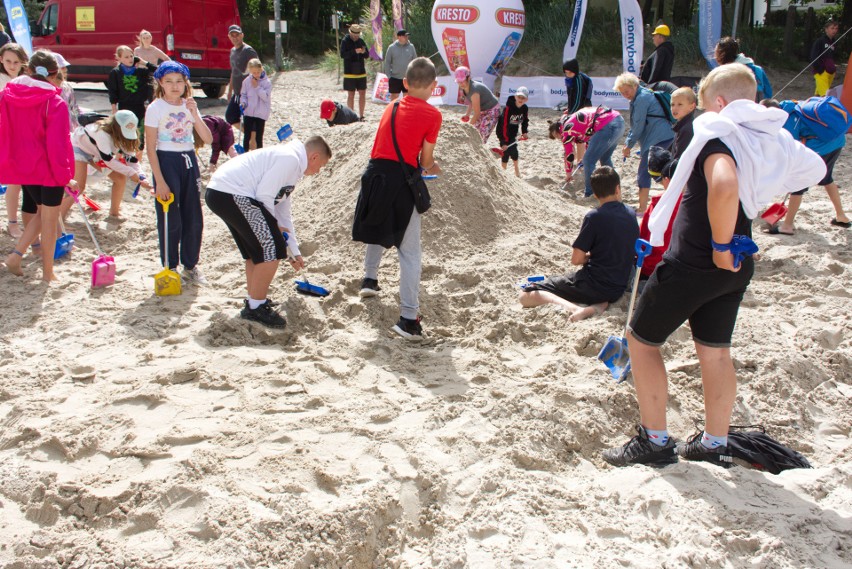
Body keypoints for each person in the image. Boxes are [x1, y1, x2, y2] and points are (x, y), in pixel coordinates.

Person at [602, 64, 826, 468]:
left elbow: (723, 185)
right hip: (737, 263)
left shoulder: (718, 137)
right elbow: (813, 168)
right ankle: (713, 441)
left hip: (697, 261)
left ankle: (654, 442)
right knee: (715, 352)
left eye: (705, 107)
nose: (701, 116)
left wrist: (720, 244)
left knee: (640, 341)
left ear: (720, 104)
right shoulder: (760, 141)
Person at [352, 57, 442, 340]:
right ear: (434, 87)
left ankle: (369, 279)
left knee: (377, 227)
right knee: (411, 253)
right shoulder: (432, 115)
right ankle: (408, 319)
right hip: (401, 181)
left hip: (374, 175)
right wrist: (432, 166)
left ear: (404, 83)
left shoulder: (391, 106)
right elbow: (425, 160)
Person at [205, 136, 332, 328]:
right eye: (320, 166)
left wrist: (294, 251)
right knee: (272, 248)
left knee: (255, 251)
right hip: (231, 192)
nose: (317, 172)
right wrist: (272, 227)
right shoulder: (290, 159)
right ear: (314, 157)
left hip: (222, 192)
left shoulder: (293, 166)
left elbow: (282, 212)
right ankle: (255, 308)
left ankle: (254, 300)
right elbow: (264, 195)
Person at [519, 166, 639, 321]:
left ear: (595, 194)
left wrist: (590, 257)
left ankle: (577, 308)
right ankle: (598, 304)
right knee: (565, 281)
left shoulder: (594, 217)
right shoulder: (631, 213)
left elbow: (576, 259)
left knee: (526, 294)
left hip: (595, 285)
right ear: (618, 188)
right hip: (618, 287)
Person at [0, 50, 76, 282]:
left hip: (21, 165)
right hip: (48, 169)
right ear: (54, 75)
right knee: (49, 220)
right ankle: (48, 273)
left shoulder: (6, 95)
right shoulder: (54, 102)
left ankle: (16, 255)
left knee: (41, 212)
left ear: (28, 69)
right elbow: (58, 145)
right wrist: (65, 176)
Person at [144, 61, 213, 285]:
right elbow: (151, 148)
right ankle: (170, 266)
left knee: (193, 216)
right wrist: (160, 182)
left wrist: (194, 113)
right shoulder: (155, 108)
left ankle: (190, 265)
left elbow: (208, 138)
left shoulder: (189, 105)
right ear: (161, 83)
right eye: (169, 82)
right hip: (167, 161)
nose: (175, 86)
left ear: (186, 83)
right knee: (170, 216)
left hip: (188, 160)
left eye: (179, 81)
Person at [761, 98, 850, 235]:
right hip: (837, 141)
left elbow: (792, 149)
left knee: (798, 183)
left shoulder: (788, 122)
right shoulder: (789, 105)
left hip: (822, 146)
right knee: (826, 178)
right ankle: (841, 216)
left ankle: (787, 225)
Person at [65, 110, 152, 219]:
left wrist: (141, 176)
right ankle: (59, 217)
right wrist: (131, 173)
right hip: (78, 147)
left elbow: (132, 160)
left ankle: (114, 213)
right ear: (116, 127)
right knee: (78, 186)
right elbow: (109, 161)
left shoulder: (123, 135)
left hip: (96, 152)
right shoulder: (101, 132)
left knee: (120, 178)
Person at [615, 72, 674, 214]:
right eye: (622, 93)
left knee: (644, 172)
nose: (625, 95)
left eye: (627, 91)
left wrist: (628, 144)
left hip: (658, 138)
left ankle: (642, 208)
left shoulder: (641, 99)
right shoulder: (642, 95)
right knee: (659, 170)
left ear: (635, 86)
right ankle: (675, 198)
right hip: (665, 136)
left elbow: (638, 126)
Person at [548, 105, 626, 198]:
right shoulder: (574, 121)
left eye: (557, 137)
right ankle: (615, 189)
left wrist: (568, 172)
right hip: (618, 121)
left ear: (557, 131)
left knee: (589, 161)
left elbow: (569, 153)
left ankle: (590, 193)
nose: (560, 139)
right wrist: (585, 156)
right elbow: (591, 140)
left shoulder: (566, 130)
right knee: (605, 158)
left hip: (607, 125)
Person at [638, 146, 679, 285]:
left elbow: (643, 238)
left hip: (655, 269)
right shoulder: (699, 200)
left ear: (666, 180)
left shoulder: (658, 204)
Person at [0, 43, 28, 239]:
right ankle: (12, 222)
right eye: (8, 61)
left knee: (16, 180)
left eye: (16, 62)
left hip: (20, 135)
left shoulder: (25, 81)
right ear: (1, 59)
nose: (11, 65)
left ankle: (13, 222)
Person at [107, 45, 158, 148]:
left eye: (131, 56)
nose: (130, 59)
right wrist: (114, 108)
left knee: (139, 137)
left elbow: (158, 70)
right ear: (119, 58)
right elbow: (113, 91)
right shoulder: (116, 72)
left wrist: (144, 62)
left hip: (139, 106)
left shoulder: (140, 72)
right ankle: (124, 157)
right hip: (124, 107)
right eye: (126, 57)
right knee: (125, 135)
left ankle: (138, 158)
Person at [714, 37, 772, 102]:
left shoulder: (726, 73)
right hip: (758, 108)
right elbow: (768, 93)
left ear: (722, 54)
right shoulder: (758, 70)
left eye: (716, 53)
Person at [455, 66, 500, 144]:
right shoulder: (465, 88)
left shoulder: (474, 90)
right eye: (459, 81)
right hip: (483, 110)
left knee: (481, 135)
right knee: (474, 132)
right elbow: (471, 102)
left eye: (462, 81)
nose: (461, 84)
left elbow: (477, 113)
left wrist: (467, 127)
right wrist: (467, 114)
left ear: (469, 78)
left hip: (492, 110)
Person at [226, 25, 258, 125]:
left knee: (250, 120)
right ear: (229, 37)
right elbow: (233, 72)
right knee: (230, 117)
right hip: (237, 94)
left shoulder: (248, 51)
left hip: (247, 93)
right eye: (233, 35)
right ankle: (250, 137)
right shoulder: (232, 51)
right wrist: (230, 91)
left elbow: (258, 71)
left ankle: (252, 139)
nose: (235, 37)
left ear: (242, 35)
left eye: (237, 35)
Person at [495, 86, 529, 177]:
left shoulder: (525, 108)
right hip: (502, 132)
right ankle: (503, 172)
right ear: (515, 96)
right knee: (506, 151)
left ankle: (516, 169)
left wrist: (524, 132)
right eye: (519, 97)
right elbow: (504, 124)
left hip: (513, 131)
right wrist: (505, 141)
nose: (520, 99)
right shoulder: (508, 108)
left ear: (526, 99)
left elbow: (525, 121)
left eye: (523, 98)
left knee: (513, 151)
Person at [239, 58, 272, 151]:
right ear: (250, 71)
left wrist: (257, 87)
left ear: (261, 69)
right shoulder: (246, 81)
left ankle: (259, 155)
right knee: (247, 135)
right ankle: (245, 154)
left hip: (261, 113)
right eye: (253, 73)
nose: (256, 75)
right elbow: (243, 95)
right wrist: (243, 103)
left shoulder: (267, 82)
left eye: (258, 72)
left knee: (259, 137)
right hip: (248, 112)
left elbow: (265, 97)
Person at [340, 24, 369, 119]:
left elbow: (367, 55)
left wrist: (363, 52)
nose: (356, 36)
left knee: (362, 93)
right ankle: (351, 115)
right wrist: (354, 52)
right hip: (349, 72)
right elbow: (342, 55)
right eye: (354, 34)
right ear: (350, 33)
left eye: (357, 34)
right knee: (351, 94)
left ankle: (362, 115)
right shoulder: (345, 41)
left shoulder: (361, 41)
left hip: (361, 71)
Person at [384, 29, 417, 101]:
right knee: (394, 98)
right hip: (395, 77)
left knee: (407, 98)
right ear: (398, 37)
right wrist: (389, 76)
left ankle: (405, 112)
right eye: (404, 36)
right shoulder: (391, 47)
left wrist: (413, 75)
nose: (406, 38)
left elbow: (415, 61)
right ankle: (394, 112)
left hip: (407, 78)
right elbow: (387, 62)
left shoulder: (411, 47)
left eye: (407, 36)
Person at [811, 19, 839, 96]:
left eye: (836, 28)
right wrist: (820, 69)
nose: (834, 30)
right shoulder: (820, 41)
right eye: (832, 28)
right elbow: (814, 56)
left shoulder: (834, 42)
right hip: (821, 72)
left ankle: (813, 106)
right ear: (826, 29)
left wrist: (833, 69)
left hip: (830, 72)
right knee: (825, 95)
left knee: (818, 95)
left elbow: (833, 57)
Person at [53, 52, 80, 131]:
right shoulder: (47, 88)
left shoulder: (67, 86)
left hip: (70, 127)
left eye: (65, 67)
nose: (66, 69)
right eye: (62, 67)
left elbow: (74, 107)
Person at [668, 86, 697, 159]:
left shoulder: (687, 129)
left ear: (692, 106)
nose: (674, 108)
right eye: (672, 104)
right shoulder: (681, 125)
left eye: (680, 104)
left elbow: (679, 159)